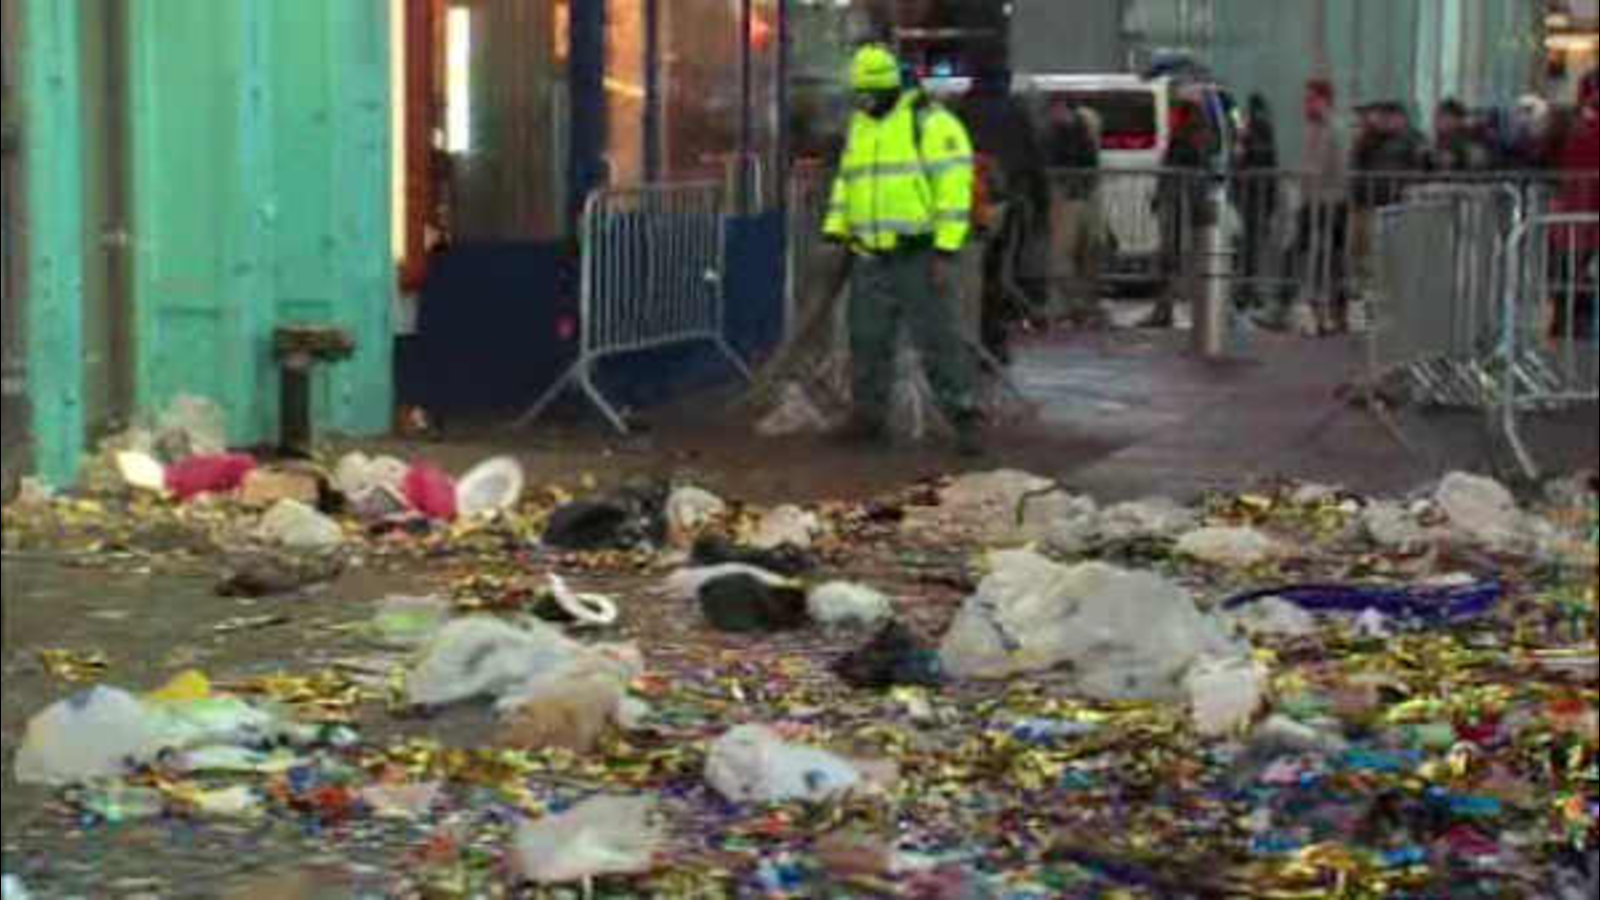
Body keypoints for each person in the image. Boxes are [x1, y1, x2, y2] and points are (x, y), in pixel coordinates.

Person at [822, 44, 983, 456]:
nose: (864, 102)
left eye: (870, 94)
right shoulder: (862, 126)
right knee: (867, 339)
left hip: (920, 253)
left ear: (891, 88)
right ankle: (868, 416)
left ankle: (963, 416)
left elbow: (953, 189)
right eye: (859, 95)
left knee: (938, 339)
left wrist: (945, 250)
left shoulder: (930, 124)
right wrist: (836, 229)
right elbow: (847, 181)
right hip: (870, 254)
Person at [1260, 79, 1346, 334]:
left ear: (1324, 101)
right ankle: (1288, 308)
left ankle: (1330, 314)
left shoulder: (1332, 129)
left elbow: (1322, 168)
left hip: (1330, 203)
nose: (1305, 105)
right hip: (1314, 202)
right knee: (1302, 254)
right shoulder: (1315, 129)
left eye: (1310, 99)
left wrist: (1295, 173)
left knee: (1330, 260)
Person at [1142, 97, 1214, 329]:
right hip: (1183, 209)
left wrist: (1160, 196)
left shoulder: (1183, 141)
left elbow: (1173, 175)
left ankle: (1164, 309)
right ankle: (1176, 309)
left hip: (1176, 208)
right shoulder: (1199, 140)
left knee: (1170, 259)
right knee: (1181, 261)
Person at [1042, 99, 1107, 326]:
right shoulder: (1084, 129)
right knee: (1085, 253)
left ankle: (1070, 306)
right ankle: (1082, 306)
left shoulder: (1057, 132)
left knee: (1064, 254)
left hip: (1066, 198)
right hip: (1082, 197)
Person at [1234, 93, 1279, 308]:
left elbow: (1243, 162)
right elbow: (1272, 166)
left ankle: (1246, 290)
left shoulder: (1253, 131)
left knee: (1248, 246)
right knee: (1254, 246)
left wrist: (1242, 143)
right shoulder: (1265, 131)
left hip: (1252, 196)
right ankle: (1250, 289)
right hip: (1260, 196)